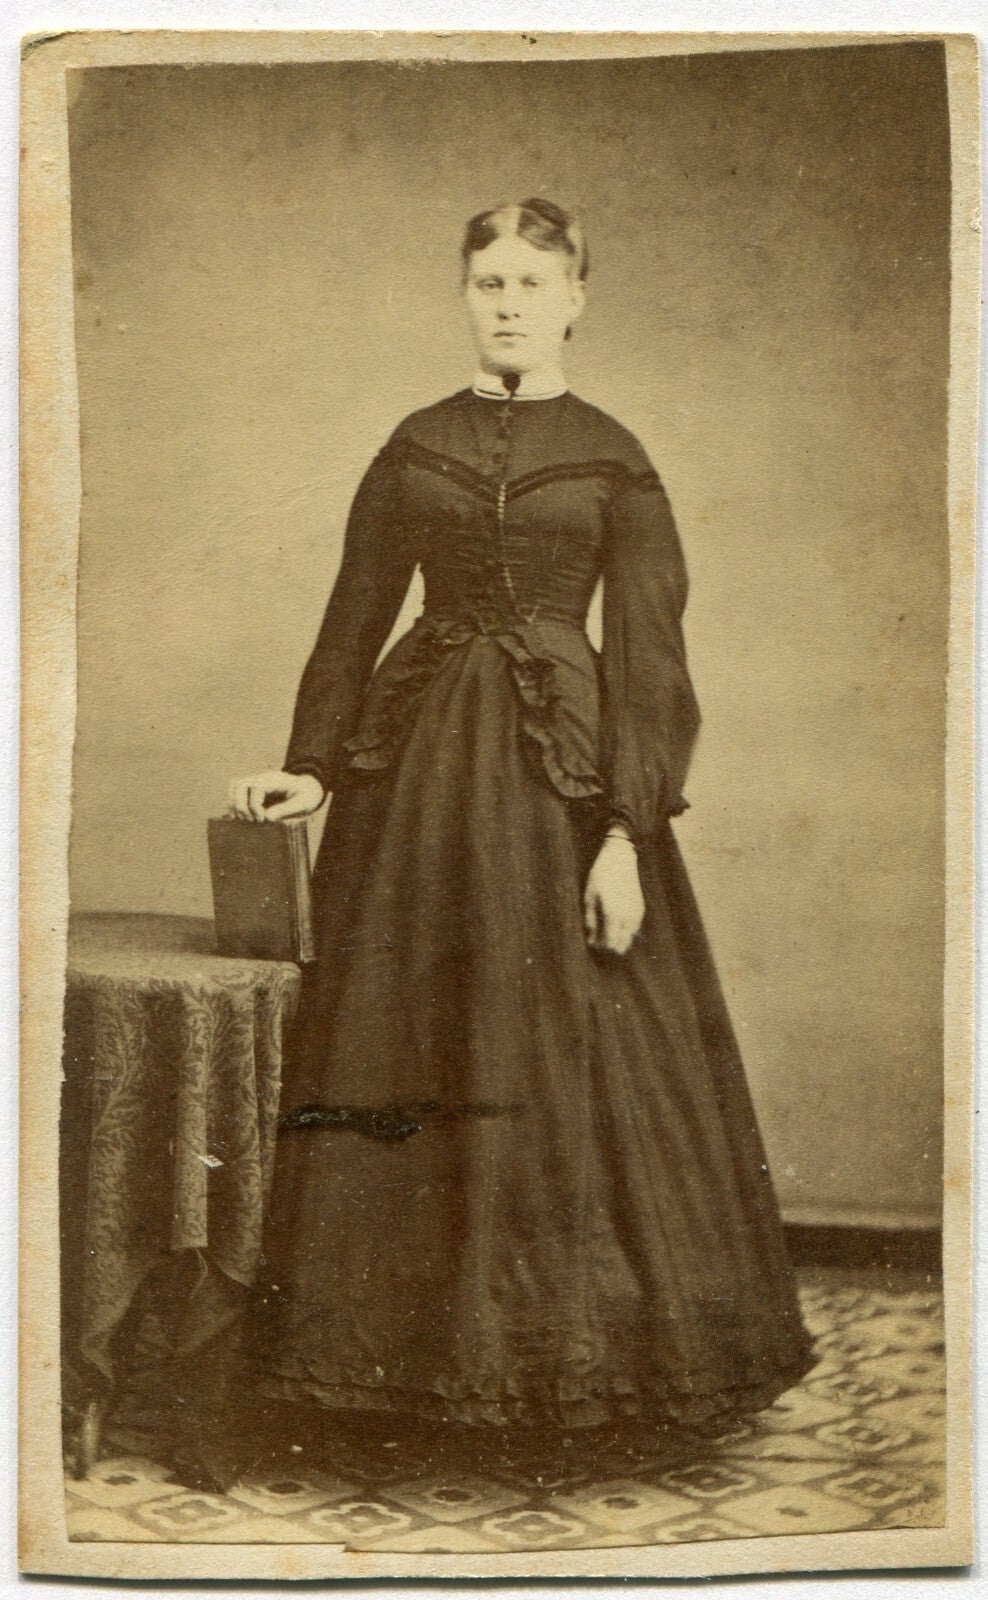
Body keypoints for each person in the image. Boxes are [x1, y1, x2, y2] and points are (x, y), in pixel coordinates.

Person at [229, 198, 815, 1464]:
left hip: (563, 790)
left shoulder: (612, 455)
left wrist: (625, 833)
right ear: (464, 291)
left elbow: (651, 661)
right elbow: (352, 615)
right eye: (487, 280)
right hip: (413, 783)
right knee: (404, 1036)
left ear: (574, 298)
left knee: (566, 1045)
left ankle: (564, 1369)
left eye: (531, 283)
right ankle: (386, 1375)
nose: (506, 302)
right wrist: (311, 769)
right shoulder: (413, 443)